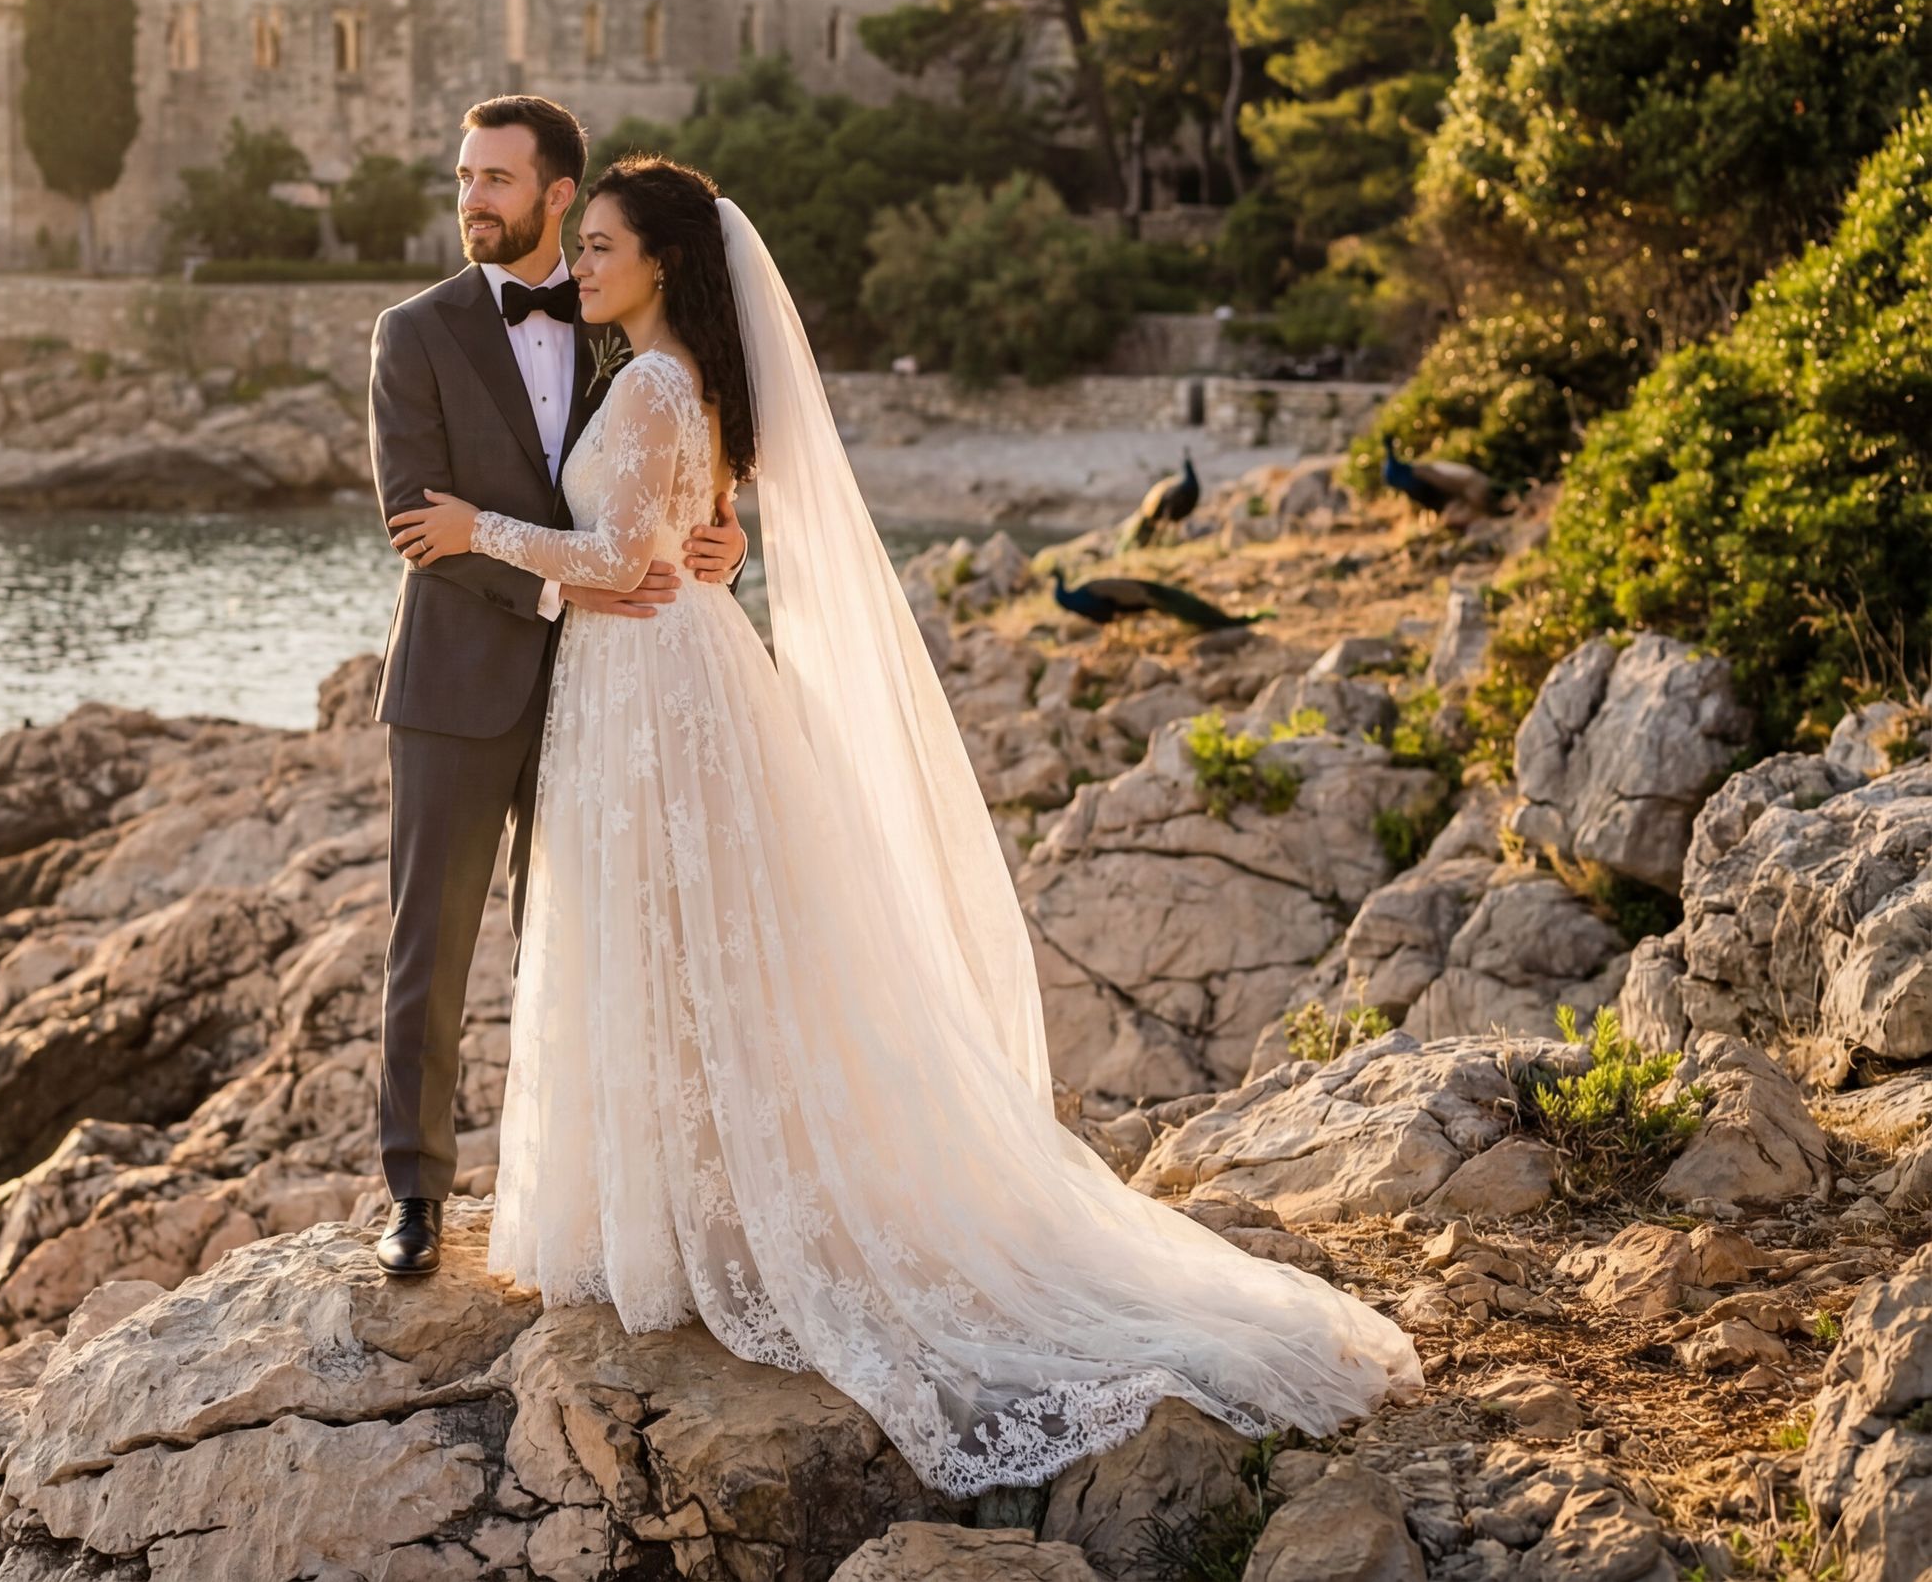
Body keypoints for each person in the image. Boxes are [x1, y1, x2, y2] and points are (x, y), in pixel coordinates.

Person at [386, 156, 1422, 1496]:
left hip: (647, 685)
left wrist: (486, 528)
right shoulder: (679, 375)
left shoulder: (649, 382)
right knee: (687, 945)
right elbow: (692, 533)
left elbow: (625, 567)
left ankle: (698, 1219)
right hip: (660, 678)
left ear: (660, 264)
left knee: (667, 939)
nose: (576, 267)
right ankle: (698, 1201)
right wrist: (709, 541)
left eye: (597, 247)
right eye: (576, 248)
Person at [364, 96, 744, 1278]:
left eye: (497, 180)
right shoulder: (413, 332)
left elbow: (674, 483)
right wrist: (558, 592)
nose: (473, 198)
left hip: (609, 692)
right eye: (464, 176)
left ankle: (581, 1186)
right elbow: (418, 524)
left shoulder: (615, 316)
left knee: (585, 938)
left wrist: (730, 548)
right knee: (429, 945)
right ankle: (417, 1196)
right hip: (461, 678)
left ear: (559, 194)